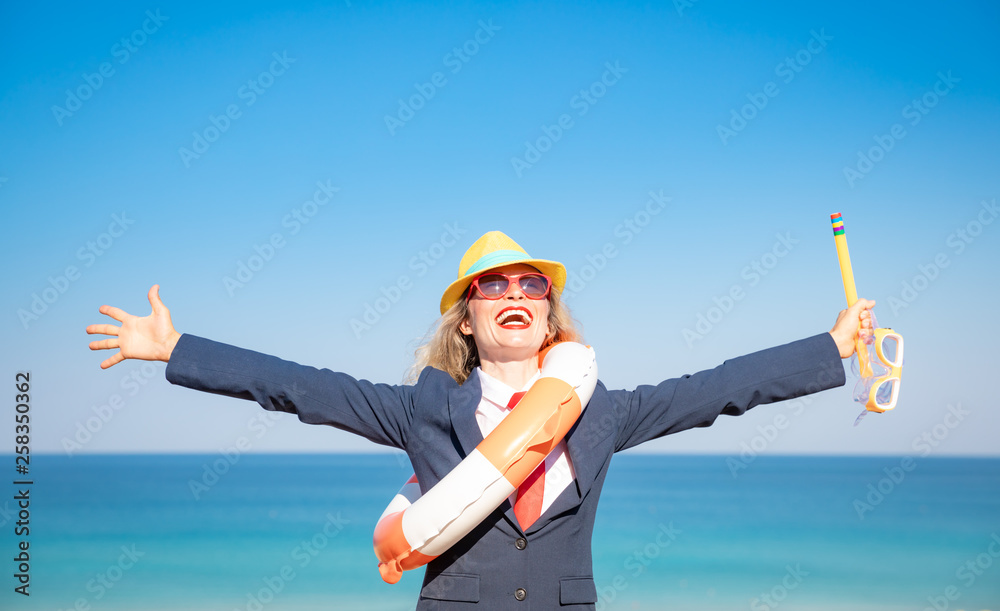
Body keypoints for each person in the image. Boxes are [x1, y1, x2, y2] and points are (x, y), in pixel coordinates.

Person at [87, 230, 874, 609]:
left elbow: (718, 388)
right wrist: (176, 348)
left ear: (548, 308)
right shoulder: (423, 407)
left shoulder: (600, 412)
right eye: (493, 287)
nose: (516, 296)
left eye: (531, 285)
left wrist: (830, 346)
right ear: (467, 318)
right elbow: (298, 385)